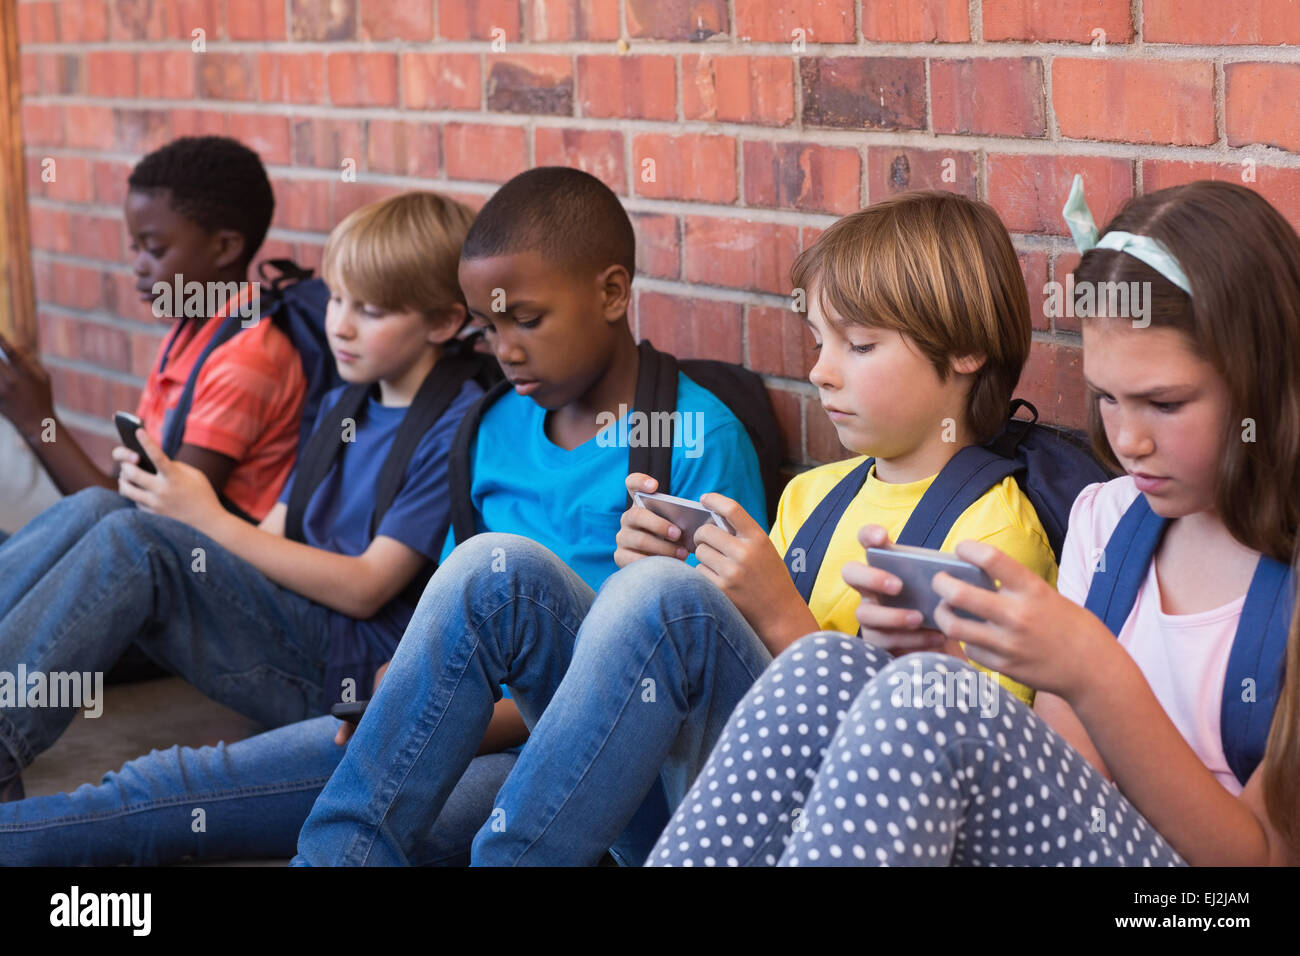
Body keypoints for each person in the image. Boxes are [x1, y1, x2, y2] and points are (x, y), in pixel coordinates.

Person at [0, 167, 764, 866]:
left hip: (593, 755)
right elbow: (461, 620)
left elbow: (692, 681)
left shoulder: (694, 434)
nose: (504, 350)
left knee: (416, 822)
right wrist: (409, 689)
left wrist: (427, 710)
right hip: (449, 718)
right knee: (182, 787)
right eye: (489, 328)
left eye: (526, 320)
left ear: (611, 292)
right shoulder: (491, 427)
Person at [293, 189, 1056, 866]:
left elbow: (946, 779)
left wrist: (766, 613)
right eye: (820, 343)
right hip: (697, 799)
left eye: (857, 346)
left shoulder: (993, 536)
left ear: (965, 351)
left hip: (816, 832)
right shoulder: (817, 494)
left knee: (661, 597)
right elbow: (728, 687)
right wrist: (648, 585)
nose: (822, 371)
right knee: (499, 569)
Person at [651, 180, 1300, 867]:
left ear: (1263, 378)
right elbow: (1065, 791)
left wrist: (1095, 672)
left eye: (1164, 403)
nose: (1128, 441)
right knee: (827, 663)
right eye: (1107, 398)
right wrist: (938, 671)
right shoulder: (1108, 521)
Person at [0, 192, 483, 808]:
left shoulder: (457, 425)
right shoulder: (349, 400)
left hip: (345, 674)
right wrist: (180, 506)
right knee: (108, 510)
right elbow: (278, 530)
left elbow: (367, 587)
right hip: (293, 622)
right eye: (336, 299)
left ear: (443, 322)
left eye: (372, 310)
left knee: (136, 541)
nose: (340, 324)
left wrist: (204, 519)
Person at [0, 135, 304, 523]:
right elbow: (122, 495)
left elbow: (155, 526)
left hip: (206, 569)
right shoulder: (189, 335)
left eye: (155, 250)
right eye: (135, 248)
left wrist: (36, 420)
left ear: (225, 247)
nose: (140, 266)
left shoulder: (248, 359)